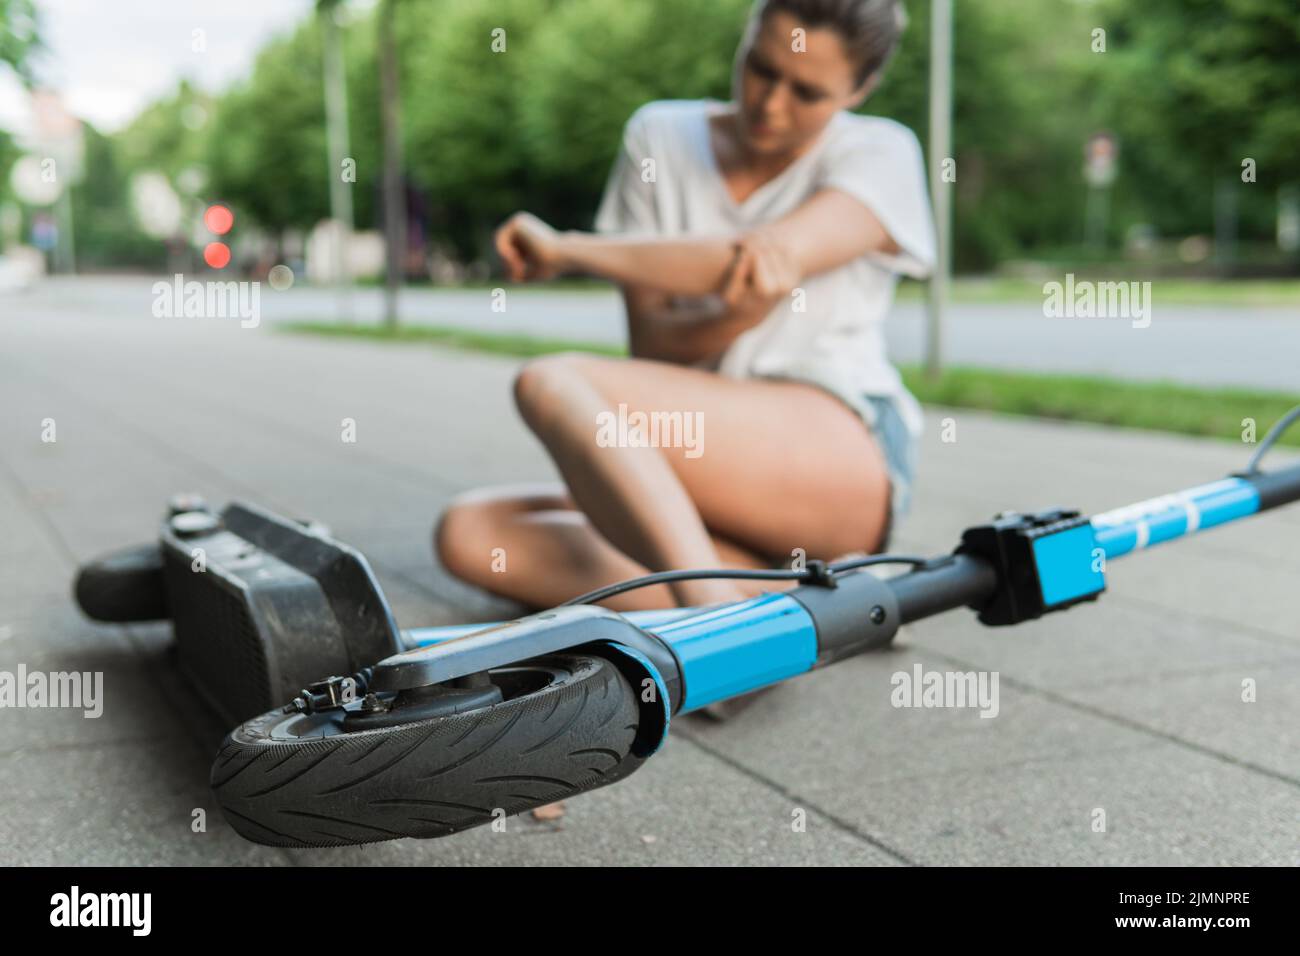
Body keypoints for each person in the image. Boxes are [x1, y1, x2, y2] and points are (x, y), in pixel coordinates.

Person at [436, 0, 934, 621]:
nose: (771, 103)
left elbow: (757, 258)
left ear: (861, 88)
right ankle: (803, 605)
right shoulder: (659, 137)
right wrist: (736, 317)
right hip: (708, 462)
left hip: (840, 446)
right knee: (473, 533)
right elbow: (657, 352)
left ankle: (719, 630)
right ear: (747, 35)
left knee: (553, 383)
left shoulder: (881, 152)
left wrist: (568, 249)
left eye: (806, 92)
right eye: (760, 67)